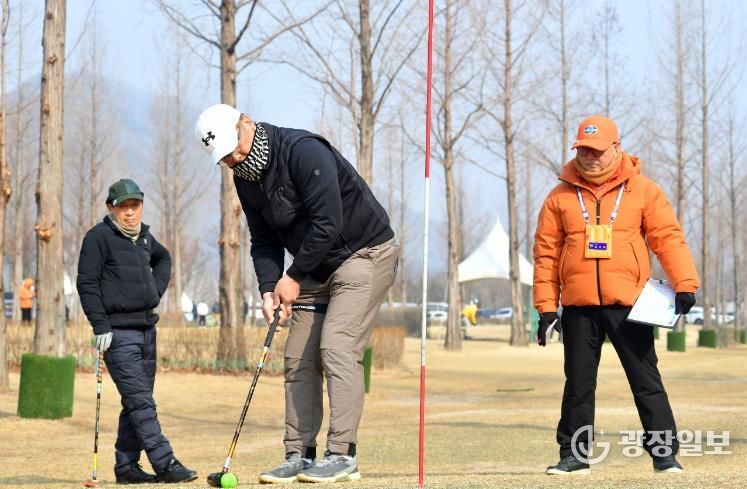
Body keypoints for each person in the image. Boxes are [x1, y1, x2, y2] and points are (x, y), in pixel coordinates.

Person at [195, 104, 399, 484]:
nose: (234, 158)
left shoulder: (304, 151)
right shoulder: (245, 179)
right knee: (297, 357)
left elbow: (328, 222)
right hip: (315, 266)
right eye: (224, 158)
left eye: (234, 147)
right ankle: (299, 454)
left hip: (364, 253)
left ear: (246, 123)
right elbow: (264, 240)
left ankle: (342, 454)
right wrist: (268, 289)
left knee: (337, 345)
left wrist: (292, 277)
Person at [533, 115, 699, 475]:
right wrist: (546, 307)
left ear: (616, 148)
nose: (590, 157)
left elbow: (667, 238)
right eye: (583, 150)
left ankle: (664, 455)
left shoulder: (643, 190)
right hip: (578, 307)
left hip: (631, 304)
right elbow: (546, 255)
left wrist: (685, 283)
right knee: (578, 385)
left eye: (597, 150)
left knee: (645, 381)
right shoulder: (559, 196)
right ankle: (574, 456)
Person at [76, 178, 197, 484]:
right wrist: (100, 325)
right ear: (111, 208)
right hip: (118, 336)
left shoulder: (144, 237)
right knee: (142, 401)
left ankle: (127, 466)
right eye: (123, 206)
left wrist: (154, 292)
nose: (130, 212)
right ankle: (165, 462)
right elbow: (86, 283)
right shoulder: (98, 237)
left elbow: (164, 257)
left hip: (147, 331)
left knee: (136, 401)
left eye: (135, 205)